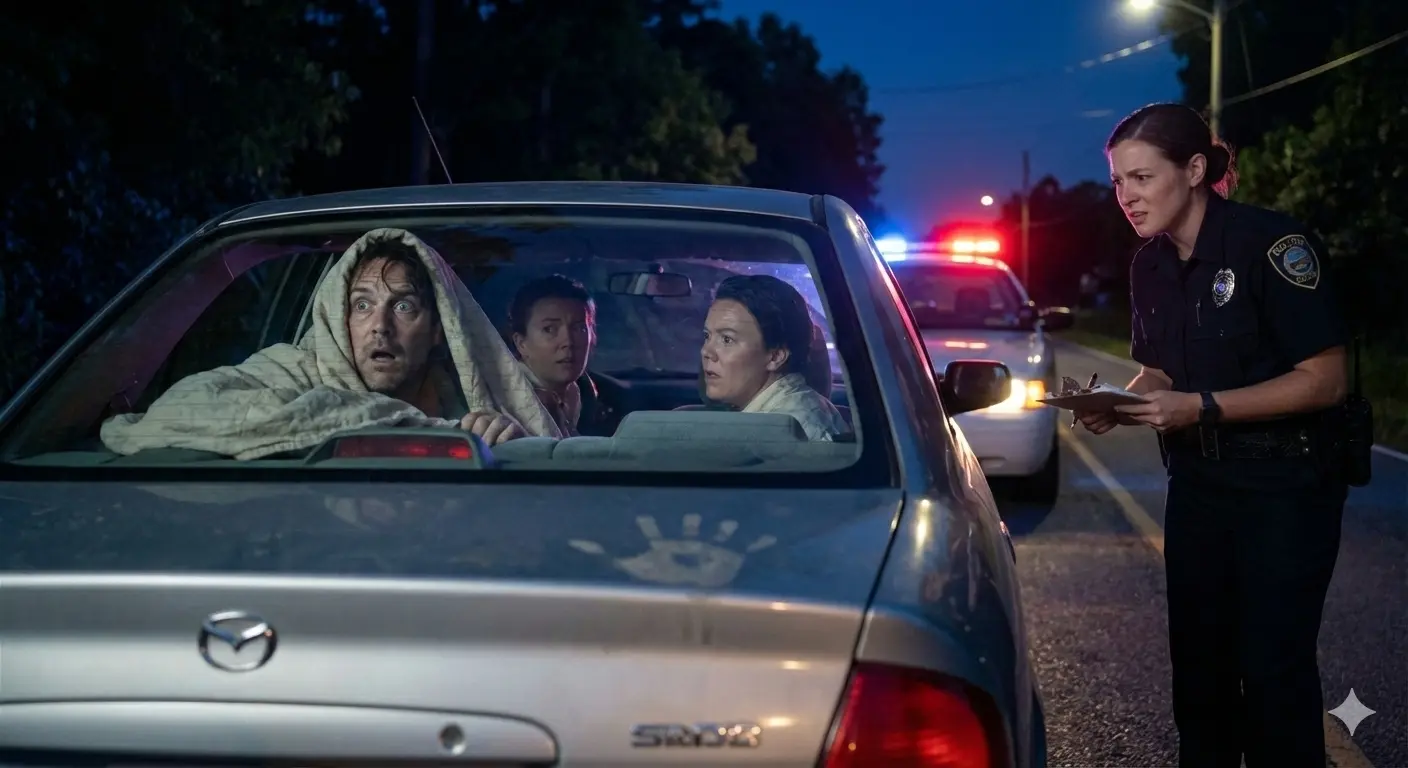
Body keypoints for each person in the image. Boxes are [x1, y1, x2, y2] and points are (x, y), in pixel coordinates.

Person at [1080, 103, 1349, 767]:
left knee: (1272, 676)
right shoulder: (1149, 267)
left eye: (1141, 178)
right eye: (1118, 183)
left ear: (1195, 169)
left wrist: (1201, 408)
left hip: (1285, 489)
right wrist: (1116, 403)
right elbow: (1160, 369)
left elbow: (1325, 380)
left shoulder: (1272, 246)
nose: (1127, 198)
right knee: (1198, 677)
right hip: (1198, 486)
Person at [101, 228, 562, 459]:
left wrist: (508, 447)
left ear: (440, 330)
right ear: (340, 319)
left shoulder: (474, 397)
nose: (378, 326)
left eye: (402, 307)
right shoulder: (296, 370)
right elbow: (182, 407)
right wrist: (416, 431)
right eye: (361, 306)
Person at [700, 274, 848, 441]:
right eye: (707, 336)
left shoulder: (786, 433)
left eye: (727, 339)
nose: (706, 351)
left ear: (776, 357)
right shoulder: (774, 418)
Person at [508, 274, 597, 437]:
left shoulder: (585, 393)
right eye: (549, 329)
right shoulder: (506, 401)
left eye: (579, 329)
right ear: (521, 343)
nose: (568, 341)